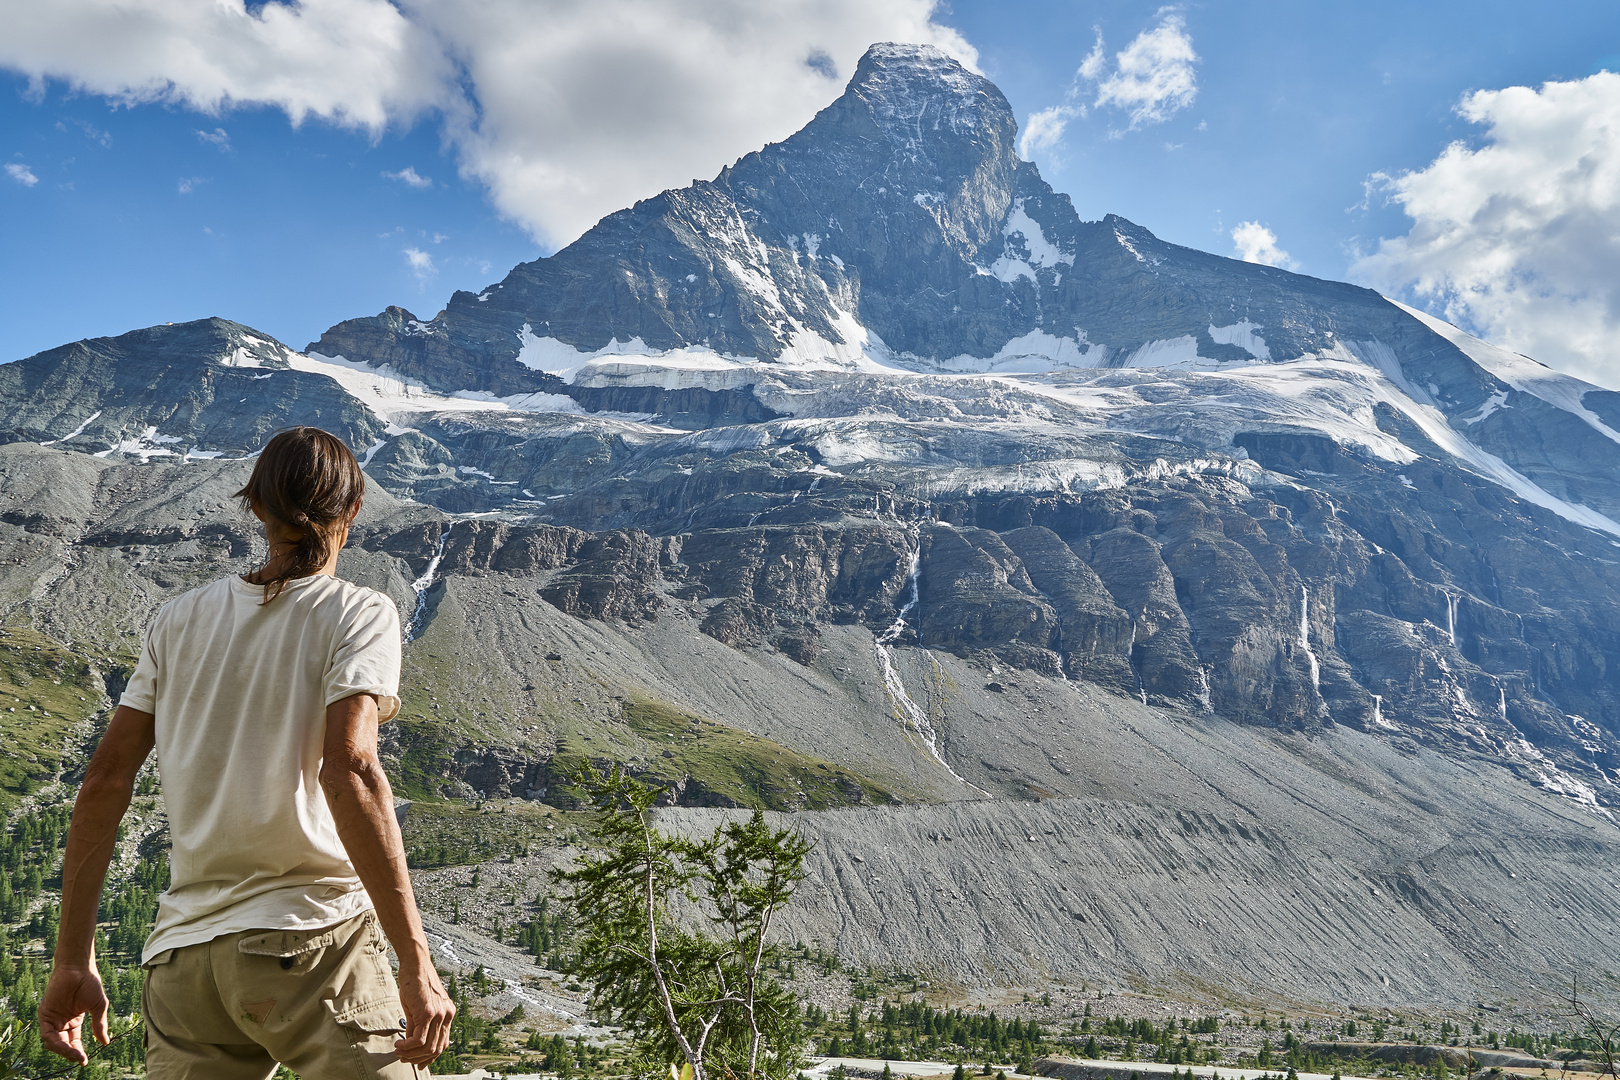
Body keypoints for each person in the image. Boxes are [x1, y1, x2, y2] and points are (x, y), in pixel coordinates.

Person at [38, 426, 455, 1077]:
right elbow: (351, 768)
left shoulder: (176, 620)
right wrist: (417, 960)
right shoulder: (358, 613)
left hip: (183, 968)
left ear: (255, 507)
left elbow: (103, 782)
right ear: (353, 510)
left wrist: (72, 960)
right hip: (311, 943)